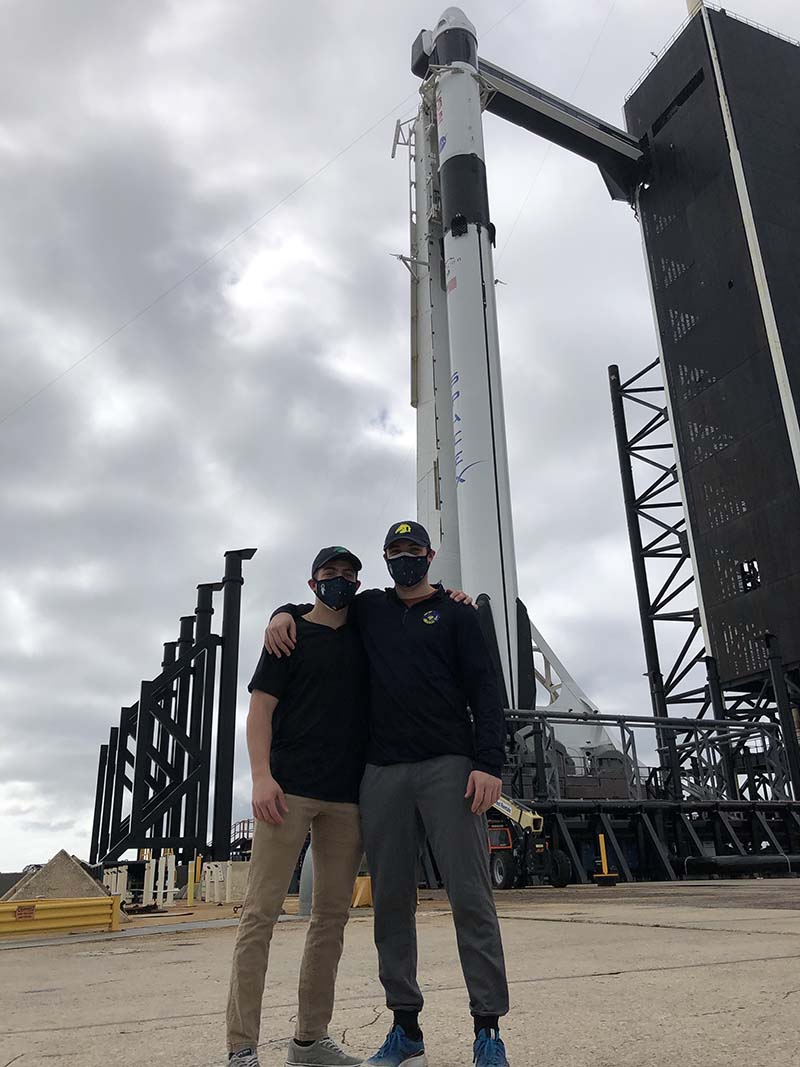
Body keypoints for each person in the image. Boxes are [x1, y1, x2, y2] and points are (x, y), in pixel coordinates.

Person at [266, 521, 512, 1067]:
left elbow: (484, 687)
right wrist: (280, 610)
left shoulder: (457, 613)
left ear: (428, 555)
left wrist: (489, 762)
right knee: (391, 904)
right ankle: (405, 1028)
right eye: (395, 552)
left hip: (449, 766)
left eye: (413, 551)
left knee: (470, 896)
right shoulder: (371, 608)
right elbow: (320, 609)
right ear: (385, 557)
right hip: (382, 773)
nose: (405, 559)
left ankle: (487, 1030)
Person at [226, 546, 369, 1067]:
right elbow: (260, 709)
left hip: (347, 799)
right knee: (260, 915)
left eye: (348, 575)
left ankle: (309, 1041)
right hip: (287, 793)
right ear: (313, 584)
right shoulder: (289, 635)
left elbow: (410, 605)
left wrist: (453, 595)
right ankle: (241, 1048)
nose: (340, 581)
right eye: (330, 574)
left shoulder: (364, 631)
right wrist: (261, 778)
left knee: (331, 918)